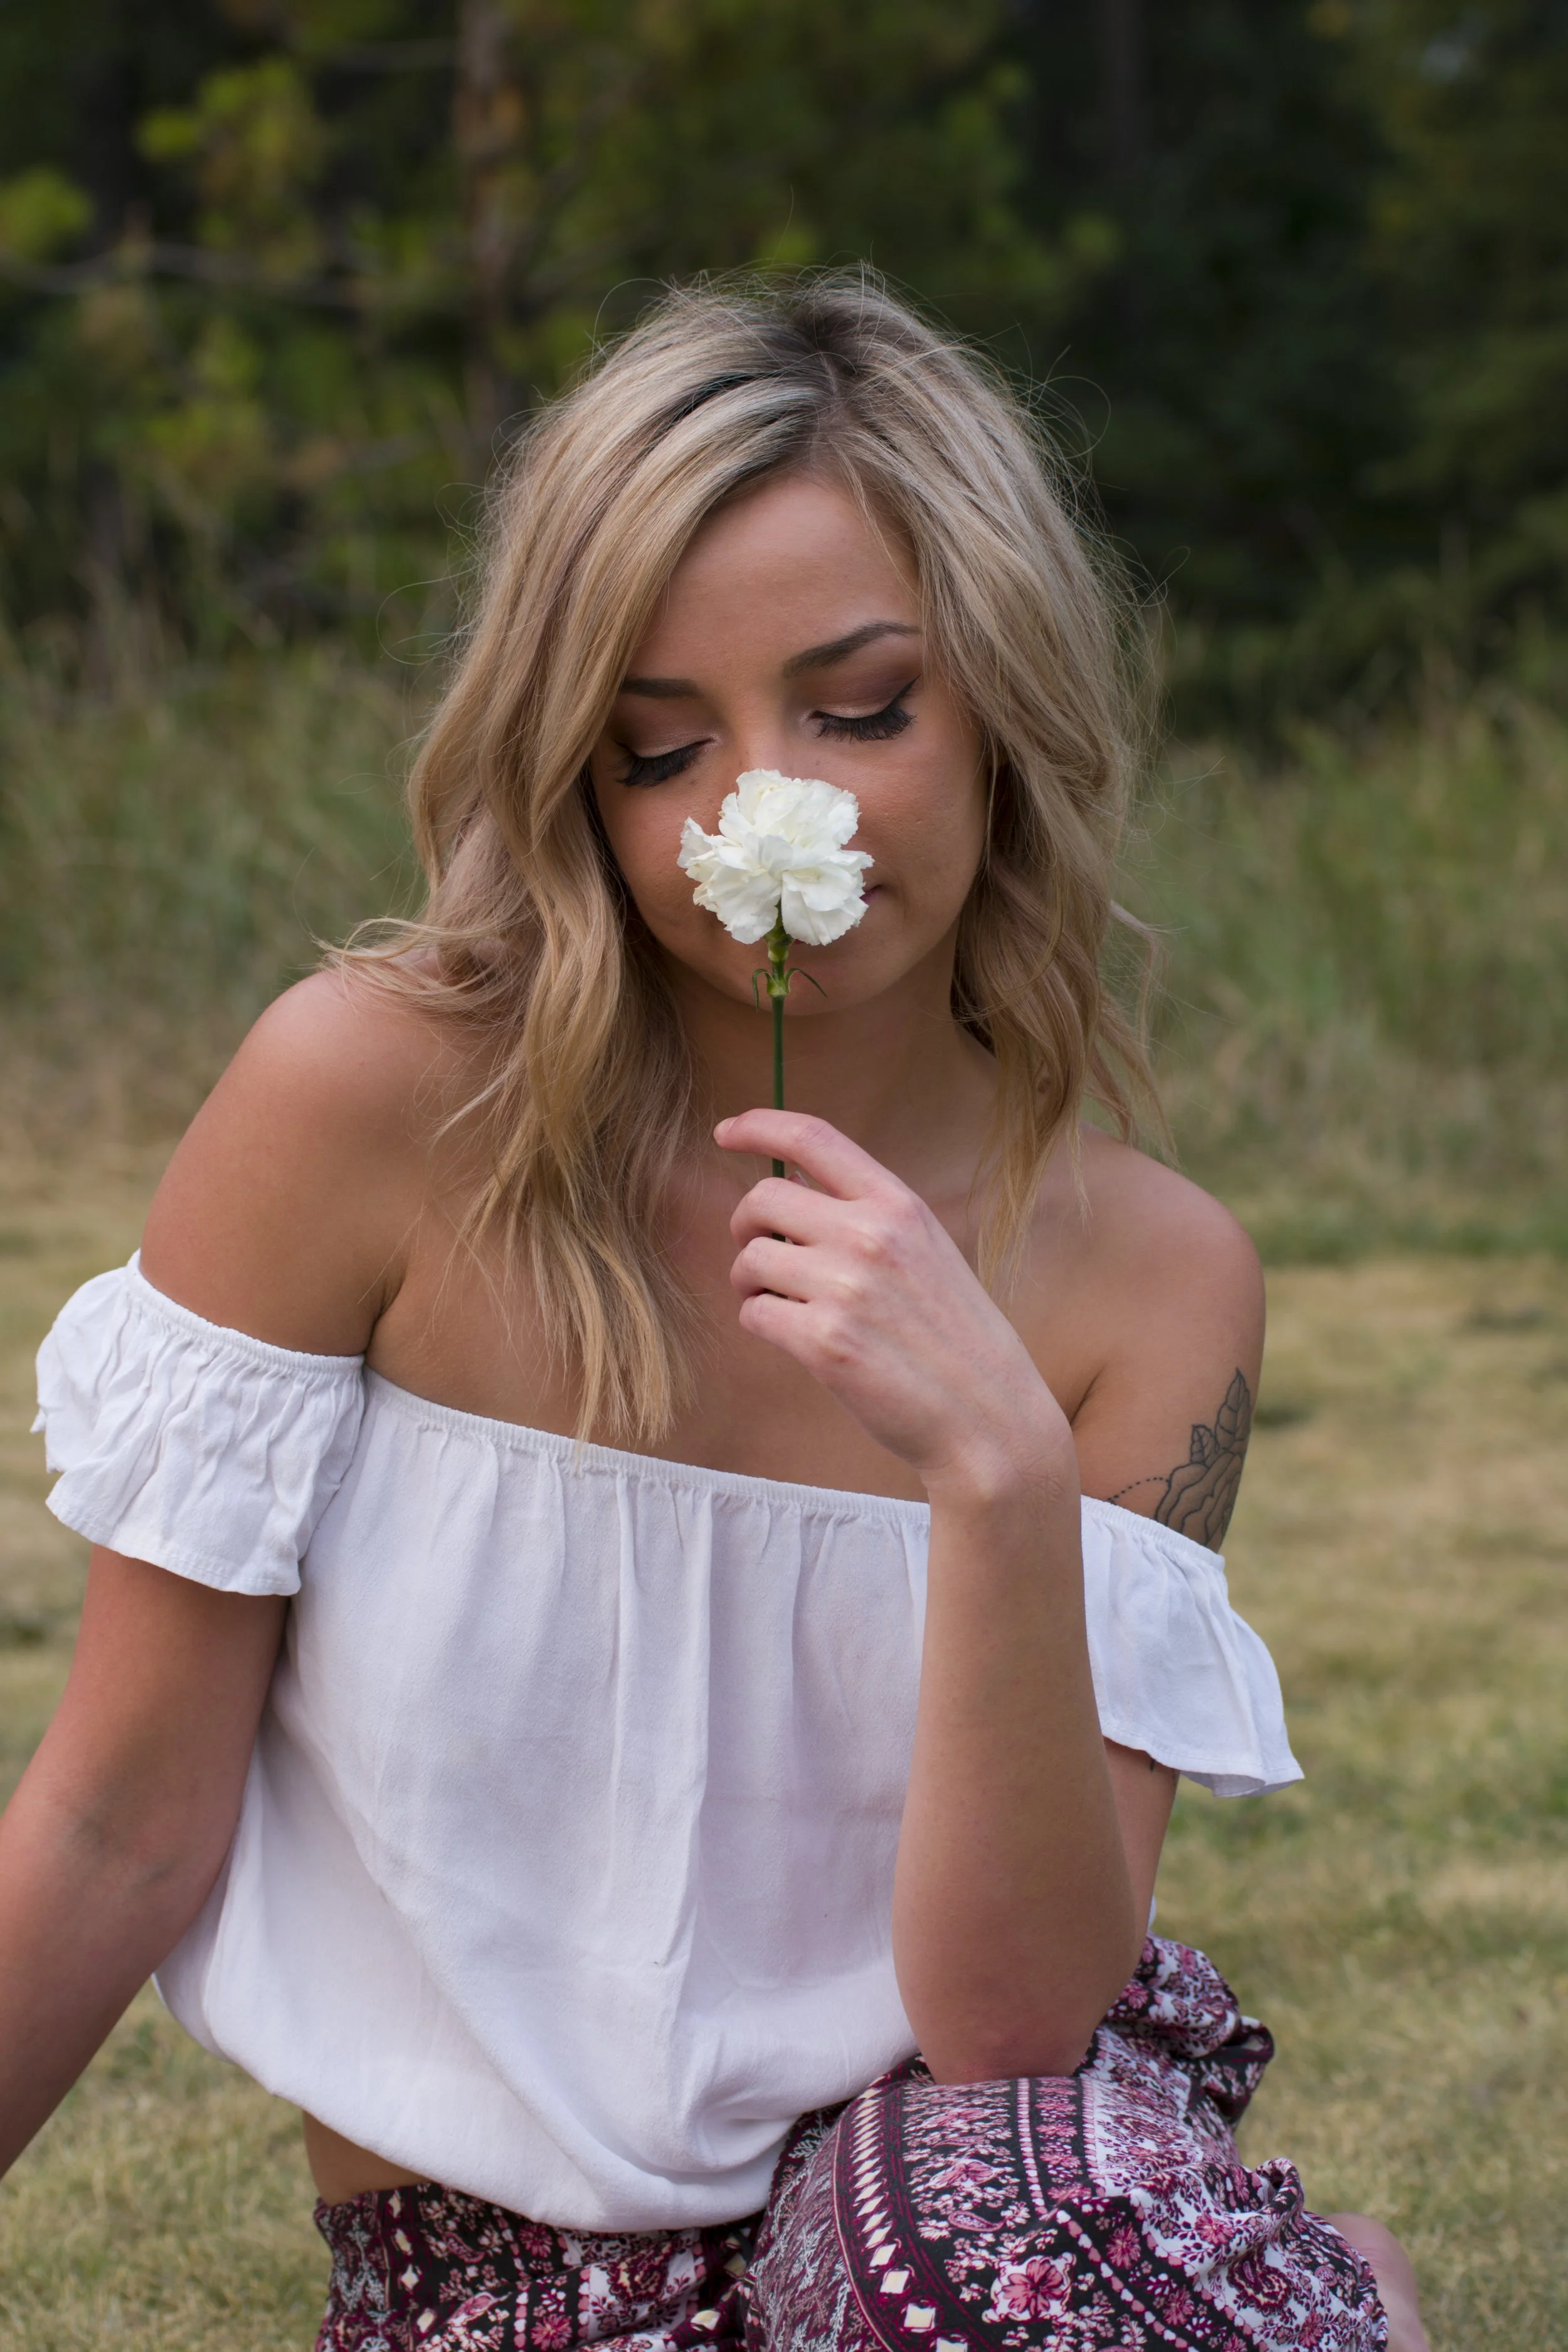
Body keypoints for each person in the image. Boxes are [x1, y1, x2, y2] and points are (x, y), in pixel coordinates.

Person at [0, 275, 1428, 2352]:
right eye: (659, 745)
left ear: (1004, 701)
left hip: (952, 2189)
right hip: (484, 2276)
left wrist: (998, 1468)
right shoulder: (368, 1105)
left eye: (863, 706)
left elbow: (1014, 2017)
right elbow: (121, 1816)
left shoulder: (1150, 1278)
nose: (772, 816)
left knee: (975, 2268)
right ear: (572, 767)